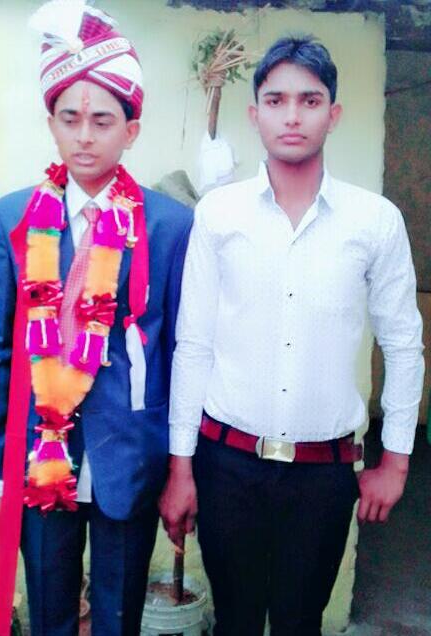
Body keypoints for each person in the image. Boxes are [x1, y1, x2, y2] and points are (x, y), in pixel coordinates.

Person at [160, 36, 424, 636]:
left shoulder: (374, 221)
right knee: (234, 622)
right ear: (255, 114)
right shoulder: (219, 215)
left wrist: (396, 461)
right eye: (277, 100)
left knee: (301, 623)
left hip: (323, 475)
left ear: (333, 113)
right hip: (226, 465)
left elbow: (403, 345)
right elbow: (193, 346)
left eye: (310, 100)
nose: (293, 115)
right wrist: (181, 468)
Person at [0, 3, 192, 635]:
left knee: (120, 620)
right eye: (69, 119)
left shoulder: (171, 225)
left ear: (132, 129)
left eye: (102, 120)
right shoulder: (12, 217)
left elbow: (181, 351)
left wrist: (182, 470)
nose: (85, 136)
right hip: (40, 458)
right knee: (50, 617)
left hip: (130, 461)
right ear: (51, 123)